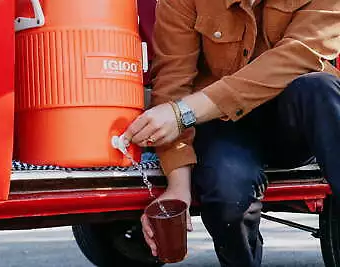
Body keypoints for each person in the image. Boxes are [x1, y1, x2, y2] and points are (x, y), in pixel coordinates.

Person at [124, 0, 340, 266]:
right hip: (222, 127)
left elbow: (301, 55)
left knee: (320, 88)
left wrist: (185, 112)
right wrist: (178, 185)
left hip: (296, 126)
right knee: (227, 192)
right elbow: (172, 85)